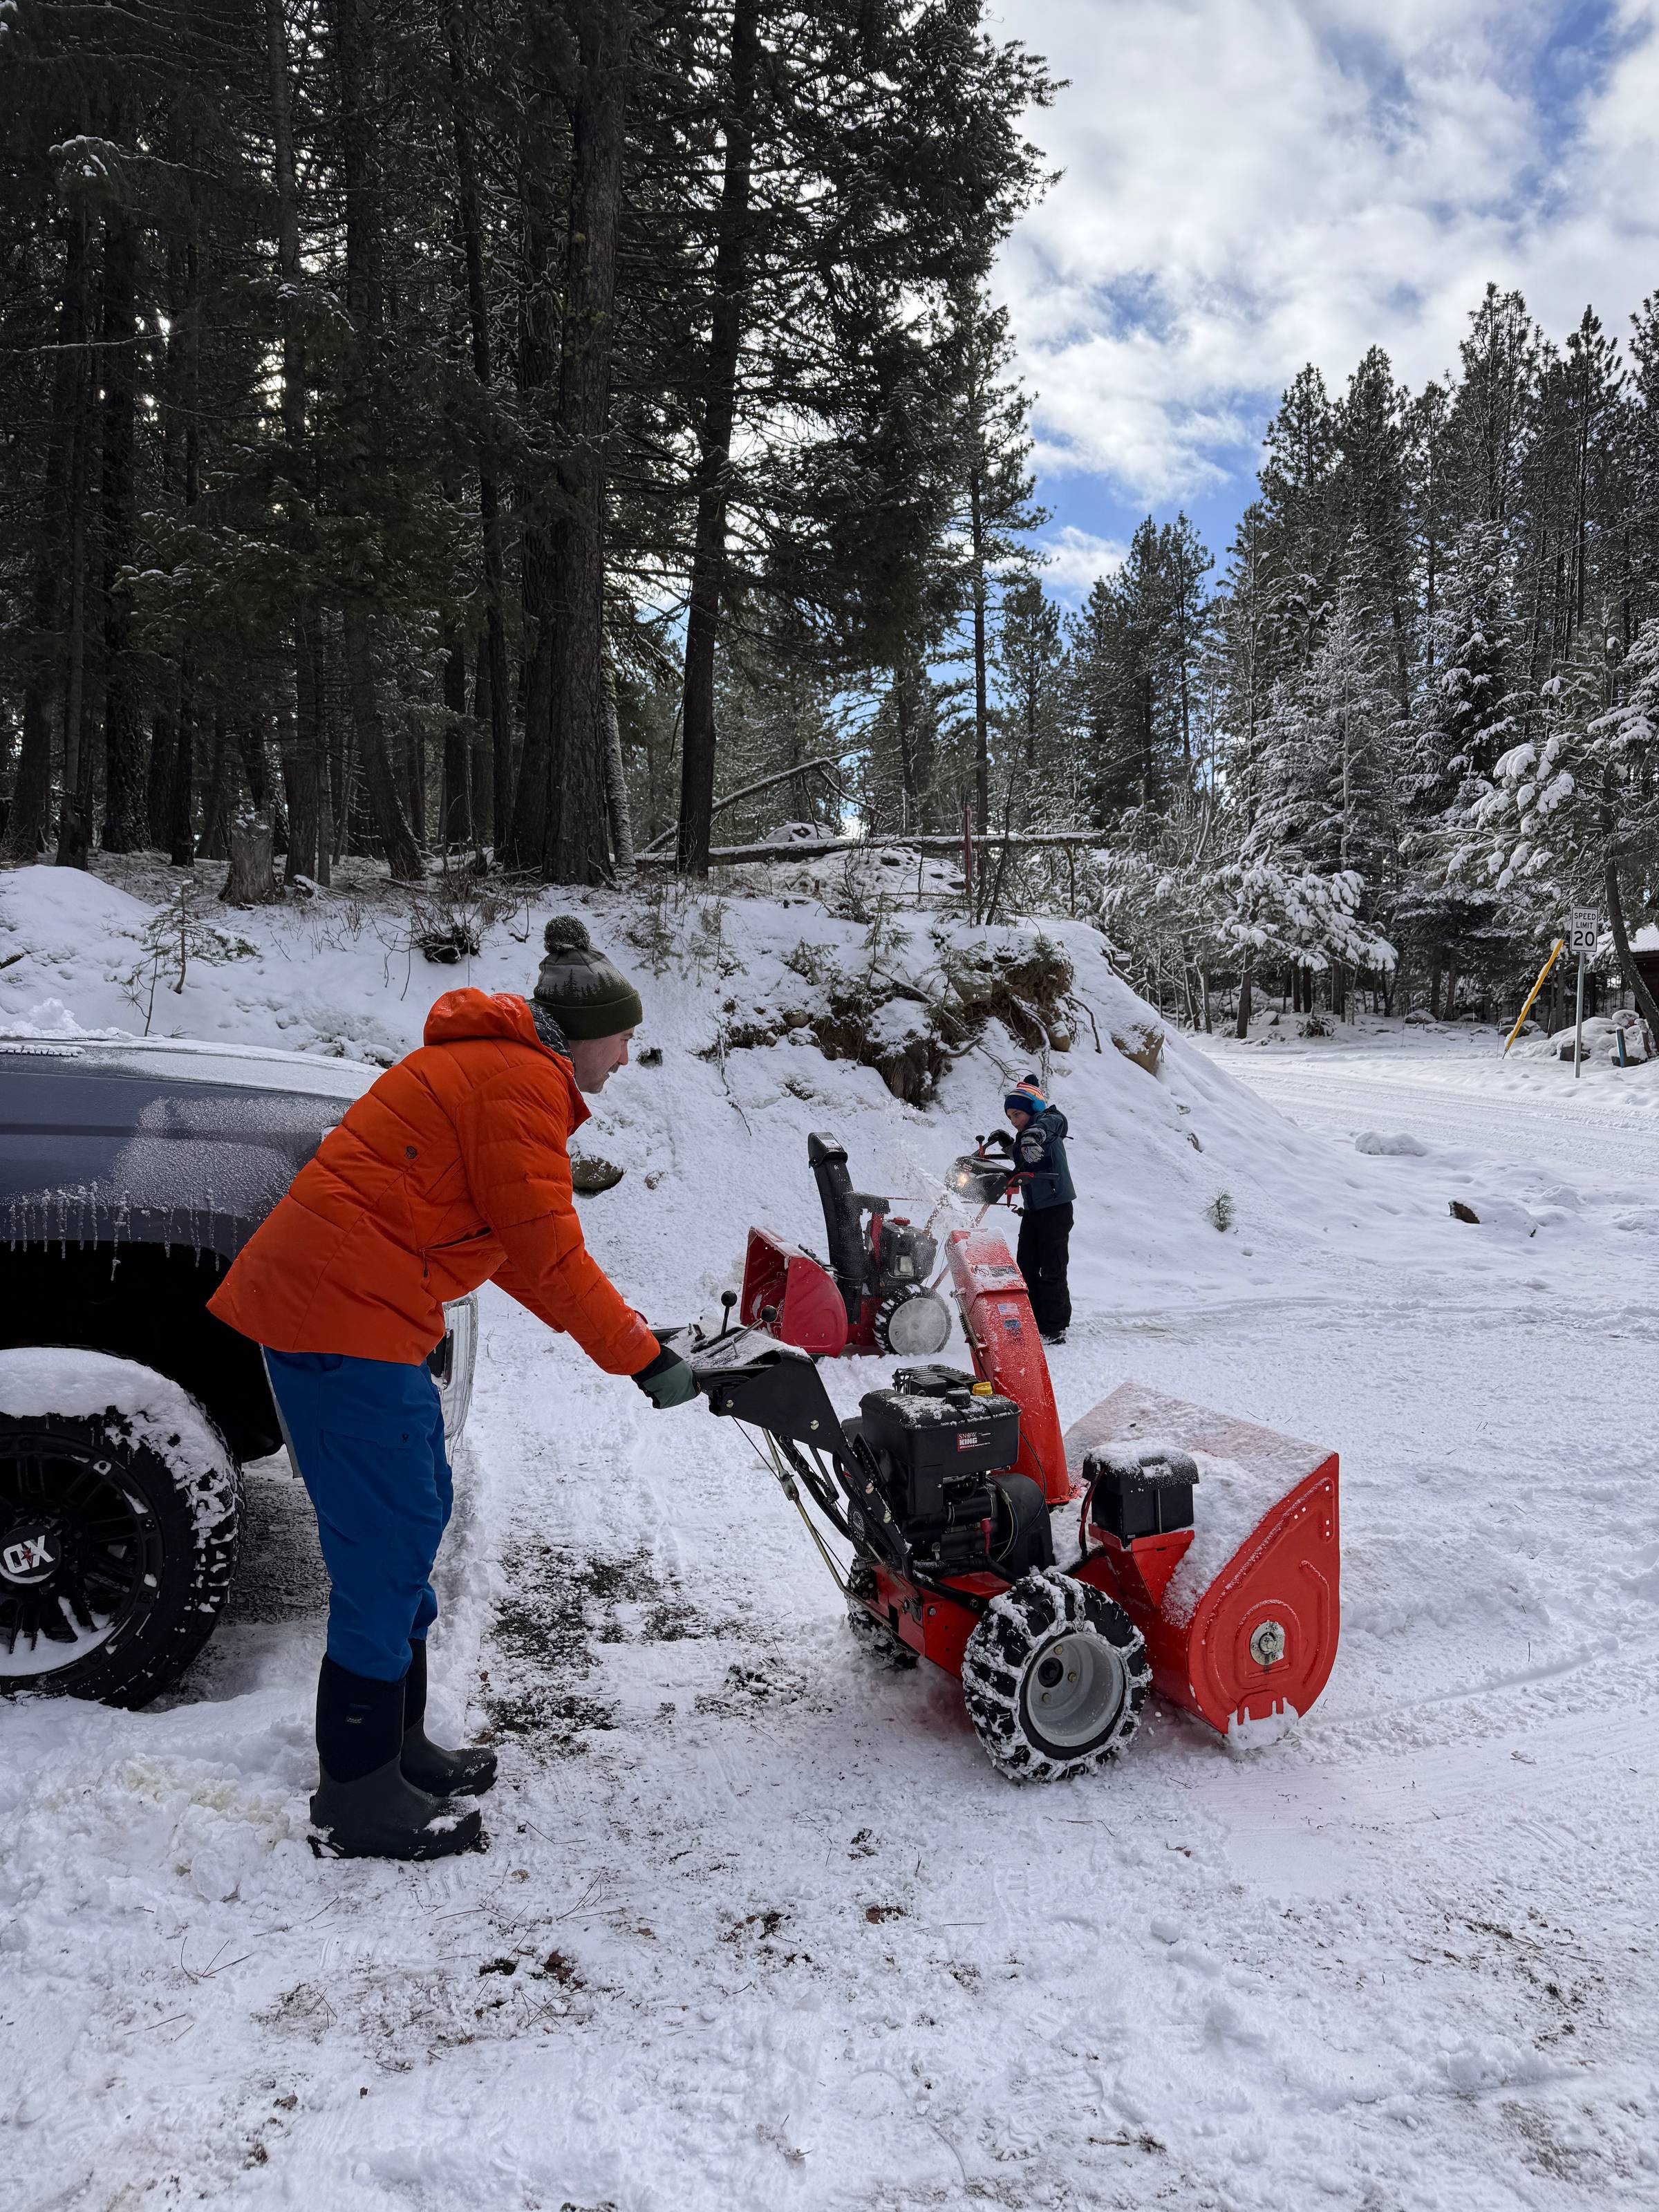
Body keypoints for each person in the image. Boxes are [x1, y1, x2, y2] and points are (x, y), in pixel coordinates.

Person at [208, 917, 696, 1863]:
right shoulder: (518, 1083)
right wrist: (639, 1359)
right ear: (586, 1033)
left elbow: (516, 1243)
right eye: (625, 1038)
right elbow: (553, 1256)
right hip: (339, 1316)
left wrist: (633, 1337)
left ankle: (400, 1749)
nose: (629, 1057)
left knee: (415, 1514)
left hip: (353, 1312)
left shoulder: (503, 1073)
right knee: (385, 1543)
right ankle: (356, 1796)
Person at [986, 1074, 1075, 1344]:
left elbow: (1054, 1123)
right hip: (1034, 1210)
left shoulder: (1049, 1121)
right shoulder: (1025, 1136)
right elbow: (1028, 1160)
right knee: (1026, 1265)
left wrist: (1033, 1132)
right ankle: (1033, 1320)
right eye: (1010, 1117)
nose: (1014, 1120)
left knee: (1052, 1268)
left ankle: (1055, 1328)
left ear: (1032, 1109)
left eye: (1017, 1114)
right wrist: (1009, 1144)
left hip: (1056, 1208)